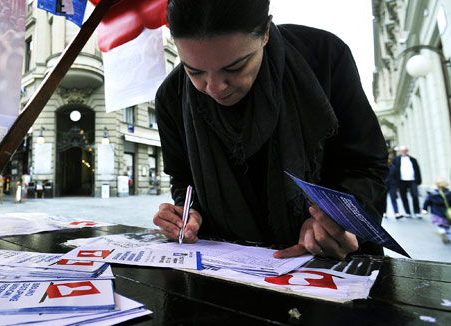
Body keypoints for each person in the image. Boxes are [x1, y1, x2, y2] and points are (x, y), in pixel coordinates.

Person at [153, 0, 388, 260]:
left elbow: (366, 164)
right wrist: (187, 215)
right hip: (226, 267)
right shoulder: (170, 97)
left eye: (234, 67)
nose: (215, 88)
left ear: (265, 32)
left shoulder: (324, 56)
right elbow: (183, 179)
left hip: (331, 265)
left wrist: (337, 220)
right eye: (194, 71)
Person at [391, 145, 422, 218]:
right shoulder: (396, 160)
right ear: (400, 152)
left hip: (412, 180)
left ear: (407, 151)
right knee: (403, 196)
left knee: (415, 195)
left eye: (405, 150)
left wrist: (419, 180)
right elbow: (394, 171)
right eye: (402, 151)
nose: (403, 152)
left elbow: (417, 170)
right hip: (401, 181)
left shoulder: (413, 159)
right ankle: (407, 212)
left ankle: (417, 211)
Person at [423, 177, 451, 244]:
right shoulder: (449, 194)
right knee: (447, 225)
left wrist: (425, 209)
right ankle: (447, 233)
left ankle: (442, 231)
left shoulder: (432, 194)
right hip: (447, 214)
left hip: (436, 214)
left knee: (440, 225)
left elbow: (427, 202)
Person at [385, 153, 402, 219]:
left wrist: (397, 186)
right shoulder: (382, 168)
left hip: (393, 185)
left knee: (393, 198)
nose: (388, 161)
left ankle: (396, 213)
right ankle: (384, 213)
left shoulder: (394, 167)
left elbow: (397, 177)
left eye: (389, 159)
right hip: (384, 185)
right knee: (384, 200)